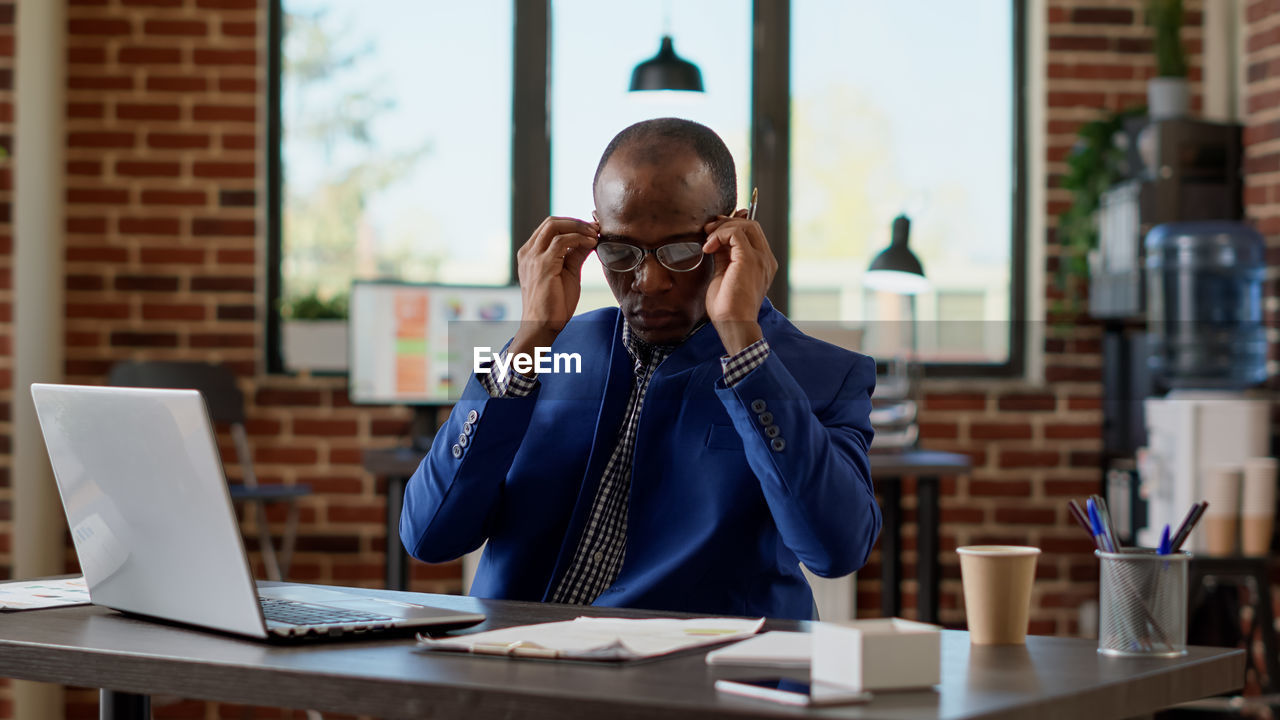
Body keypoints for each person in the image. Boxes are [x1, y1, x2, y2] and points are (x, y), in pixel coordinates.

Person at [400, 118, 880, 620]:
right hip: (516, 665)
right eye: (620, 252)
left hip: (695, 683)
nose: (648, 282)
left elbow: (836, 550)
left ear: (733, 233)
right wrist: (529, 337)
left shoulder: (823, 374)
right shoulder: (546, 350)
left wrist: (744, 347)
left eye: (680, 251)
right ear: (593, 236)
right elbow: (429, 536)